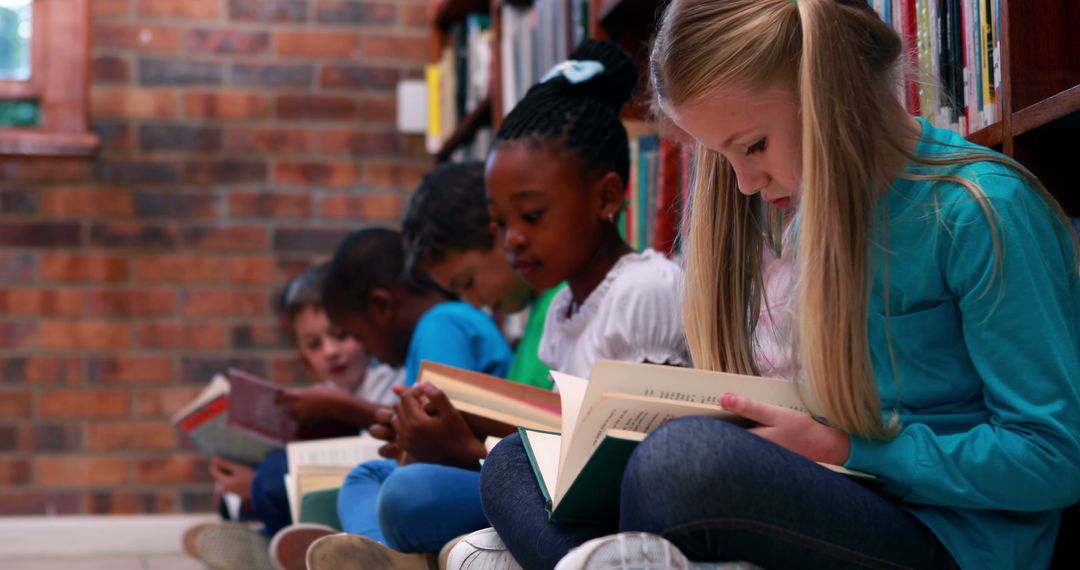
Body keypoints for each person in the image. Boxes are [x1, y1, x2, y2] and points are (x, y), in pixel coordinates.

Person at [478, 1, 1080, 569]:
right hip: (824, 492)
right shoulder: (790, 214)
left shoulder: (981, 211)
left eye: (753, 146)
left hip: (943, 533)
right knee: (514, 462)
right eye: (722, 157)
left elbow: (1055, 456)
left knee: (679, 467)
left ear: (833, 93)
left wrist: (846, 450)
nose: (742, 184)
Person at [303, 227, 514, 570]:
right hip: (476, 468)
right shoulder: (437, 325)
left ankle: (392, 558)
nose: (369, 352)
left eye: (358, 335)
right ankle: (387, 556)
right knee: (366, 475)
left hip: (495, 473)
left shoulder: (440, 324)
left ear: (381, 306)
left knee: (405, 491)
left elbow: (447, 430)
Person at [184, 264, 404, 570]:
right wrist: (236, 487)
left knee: (274, 477)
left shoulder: (389, 380)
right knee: (268, 473)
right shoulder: (317, 395)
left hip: (367, 498)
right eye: (314, 344)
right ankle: (277, 543)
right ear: (302, 354)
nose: (331, 351)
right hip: (312, 497)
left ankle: (289, 547)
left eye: (341, 336)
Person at [402, 159, 563, 390]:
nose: (475, 304)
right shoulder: (537, 317)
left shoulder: (568, 305)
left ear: (499, 231)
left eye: (468, 282)